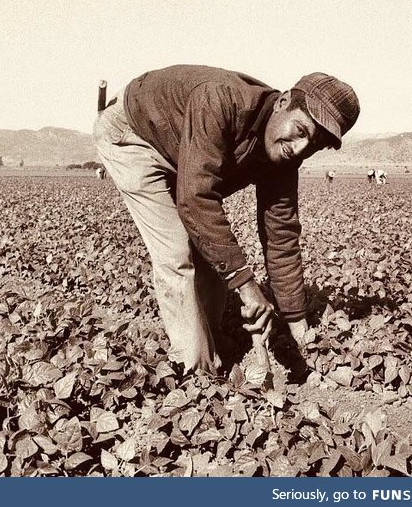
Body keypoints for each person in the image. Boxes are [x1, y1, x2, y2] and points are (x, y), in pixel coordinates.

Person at [93, 64, 360, 375]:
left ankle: (212, 338)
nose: (300, 148)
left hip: (182, 148)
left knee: (210, 249)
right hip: (132, 135)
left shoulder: (285, 156)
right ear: (284, 102)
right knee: (178, 252)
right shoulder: (221, 100)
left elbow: (281, 237)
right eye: (300, 131)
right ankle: (196, 374)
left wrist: (299, 329)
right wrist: (246, 287)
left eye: (314, 145)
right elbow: (197, 199)